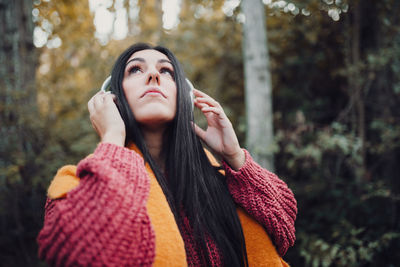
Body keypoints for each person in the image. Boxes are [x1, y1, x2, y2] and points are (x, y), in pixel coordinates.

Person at [37, 43, 297, 266]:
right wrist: (113, 138)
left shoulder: (222, 182)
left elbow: (284, 226)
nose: (153, 75)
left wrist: (234, 156)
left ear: (183, 97)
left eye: (166, 71)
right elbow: (81, 252)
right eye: (136, 69)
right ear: (113, 98)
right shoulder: (76, 183)